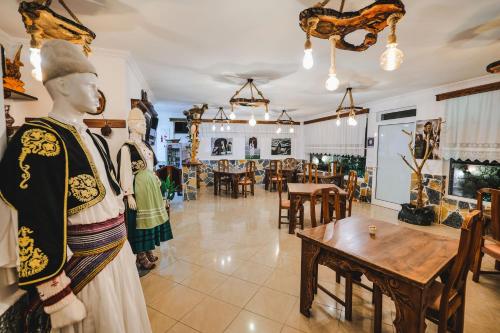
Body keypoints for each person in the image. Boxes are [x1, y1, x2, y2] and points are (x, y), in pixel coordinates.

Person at [0, 40, 151, 332]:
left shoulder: (95, 139)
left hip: (117, 255)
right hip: (87, 268)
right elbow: (35, 218)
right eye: (90, 85)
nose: (98, 93)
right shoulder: (37, 139)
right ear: (65, 86)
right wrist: (56, 292)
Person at [117, 108, 173, 270]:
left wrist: (155, 177)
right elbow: (125, 172)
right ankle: (140, 255)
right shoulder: (127, 148)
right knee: (140, 223)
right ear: (132, 126)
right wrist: (129, 195)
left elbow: (150, 166)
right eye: (141, 123)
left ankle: (149, 249)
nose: (145, 126)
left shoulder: (145, 145)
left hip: (150, 187)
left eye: (144, 123)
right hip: (139, 189)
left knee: (151, 221)